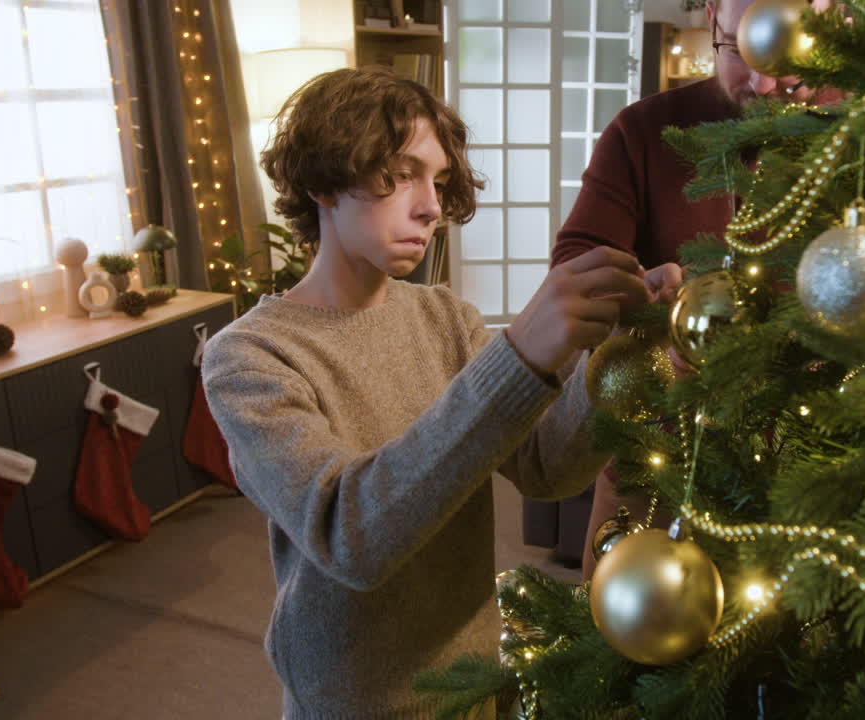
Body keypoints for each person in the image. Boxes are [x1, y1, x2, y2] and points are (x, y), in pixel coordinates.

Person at [201, 66, 677, 719]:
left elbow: (546, 467)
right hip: (354, 702)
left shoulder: (443, 317)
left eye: (439, 180)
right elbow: (352, 538)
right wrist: (520, 355)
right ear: (320, 183)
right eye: (399, 174)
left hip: (477, 681)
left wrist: (626, 353)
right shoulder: (249, 356)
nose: (429, 205)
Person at [547, 0, 842, 580]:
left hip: (821, 474)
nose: (764, 84)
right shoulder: (642, 132)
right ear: (712, 19)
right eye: (739, 50)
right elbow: (574, 264)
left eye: (787, 61)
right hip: (658, 462)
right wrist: (645, 305)